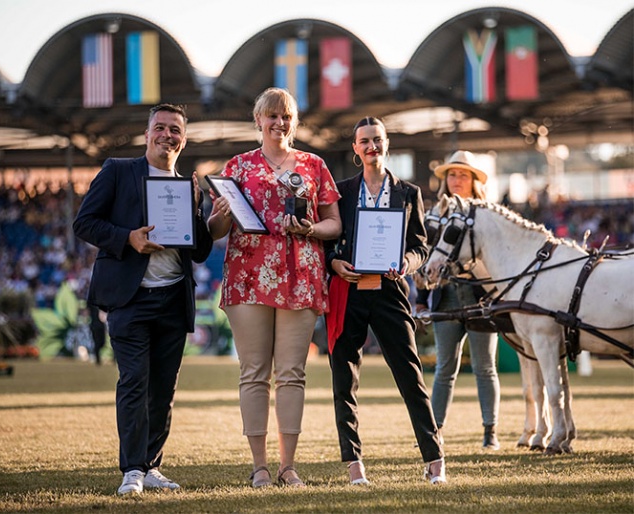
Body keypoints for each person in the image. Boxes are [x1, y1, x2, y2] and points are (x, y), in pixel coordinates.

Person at [73, 103, 213, 495]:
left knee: (163, 389)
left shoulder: (189, 186)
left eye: (175, 130)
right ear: (147, 132)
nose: (167, 135)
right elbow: (84, 222)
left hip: (172, 298)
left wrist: (209, 216)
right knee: (134, 381)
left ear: (183, 140)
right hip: (129, 299)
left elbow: (198, 250)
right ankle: (132, 469)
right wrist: (128, 238)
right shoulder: (118, 170)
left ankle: (152, 466)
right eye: (161, 128)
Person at [208, 87, 342, 488]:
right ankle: (259, 467)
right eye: (272, 115)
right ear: (259, 120)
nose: (279, 122)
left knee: (292, 374)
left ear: (293, 122)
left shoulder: (314, 165)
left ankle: (288, 466)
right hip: (249, 278)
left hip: (301, 276)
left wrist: (311, 228)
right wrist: (218, 215)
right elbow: (217, 230)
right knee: (253, 373)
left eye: (286, 116)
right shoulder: (237, 166)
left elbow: (334, 223)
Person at [325, 116, 446, 486]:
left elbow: (420, 245)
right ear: (355, 148)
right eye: (364, 141)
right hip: (349, 289)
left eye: (377, 140)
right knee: (344, 378)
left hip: (390, 291)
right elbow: (329, 239)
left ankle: (435, 459)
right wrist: (333, 262)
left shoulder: (408, 192)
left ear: (386, 143)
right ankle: (354, 464)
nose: (371, 146)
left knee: (410, 375)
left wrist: (406, 264)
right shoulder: (341, 191)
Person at [414, 150, 501, 450]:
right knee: (444, 369)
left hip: (480, 296)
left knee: (485, 367)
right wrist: (422, 299)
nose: (456, 179)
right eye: (452, 174)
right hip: (446, 296)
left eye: (463, 174)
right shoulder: (434, 214)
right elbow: (427, 260)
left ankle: (490, 431)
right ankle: (434, 433)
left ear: (474, 180)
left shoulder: (487, 213)